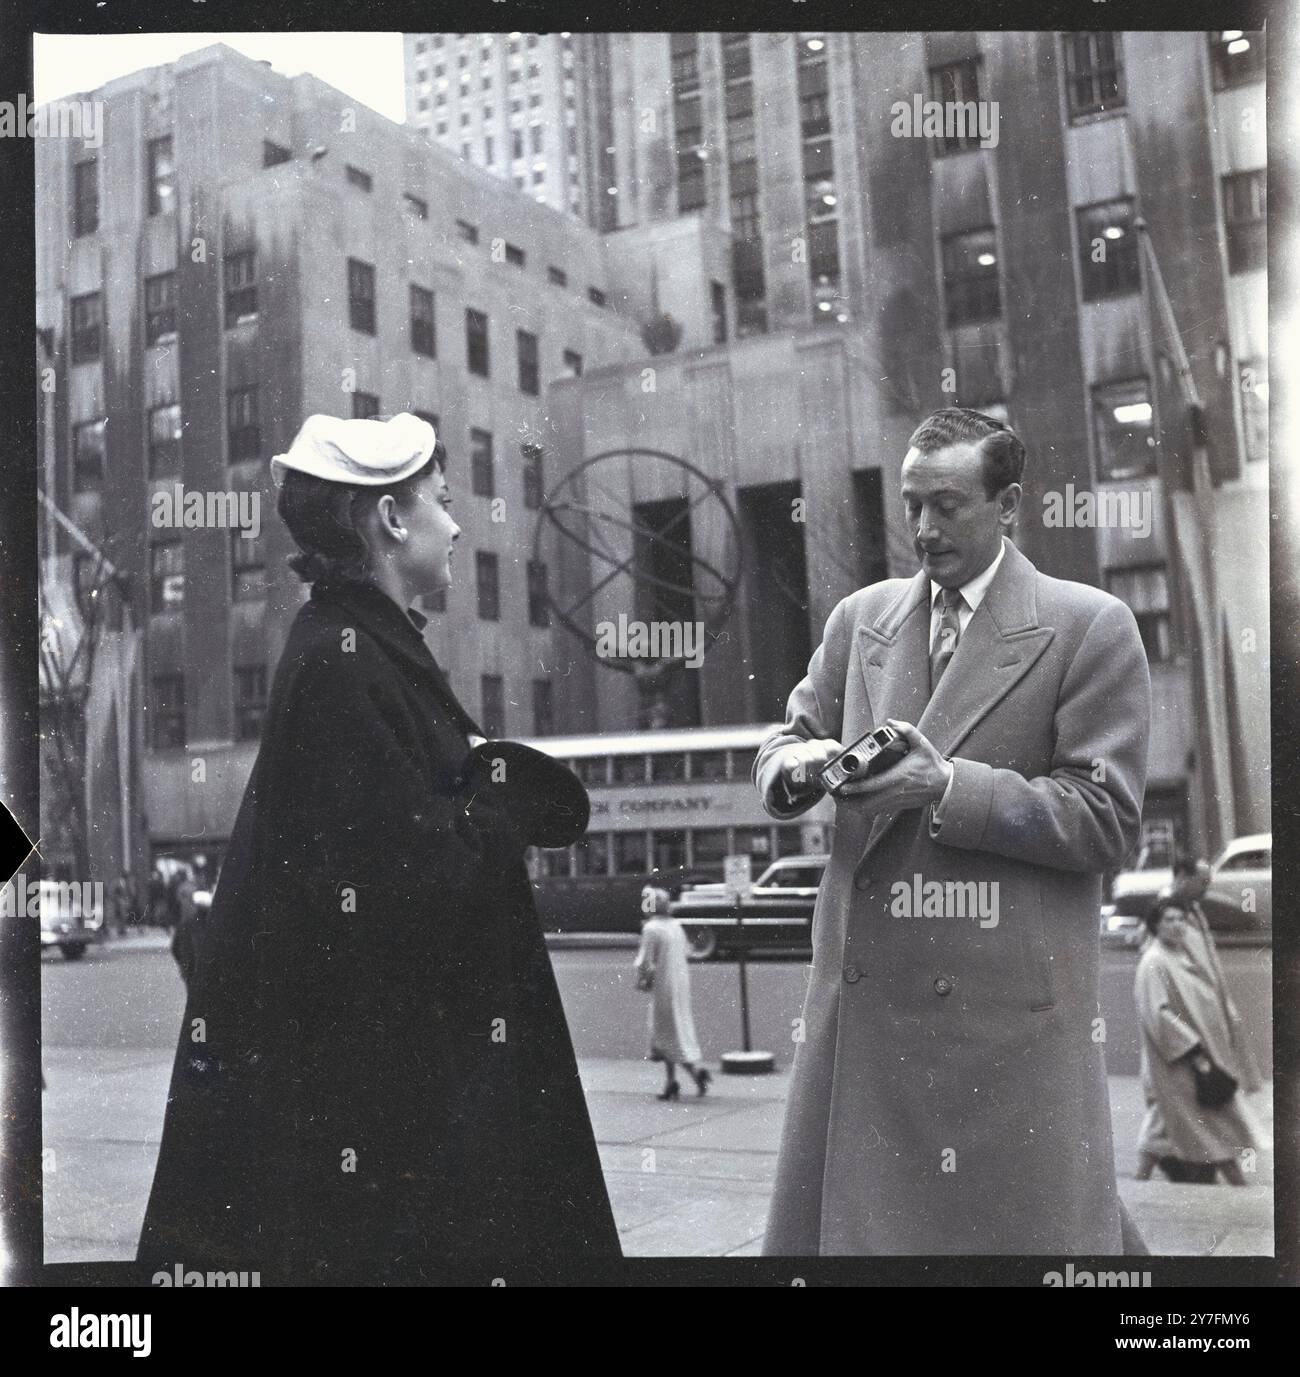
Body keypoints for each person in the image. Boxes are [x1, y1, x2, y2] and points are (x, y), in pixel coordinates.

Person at [136, 412, 621, 1281]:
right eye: (442, 498)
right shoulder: (346, 662)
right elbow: (411, 886)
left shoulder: (351, 649)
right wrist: (502, 797)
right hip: (398, 1121)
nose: (459, 521)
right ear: (391, 520)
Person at [754, 407, 1152, 1255]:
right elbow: (784, 740)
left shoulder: (1090, 625)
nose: (923, 530)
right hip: (864, 1018)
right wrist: (798, 765)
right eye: (909, 505)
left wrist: (950, 786)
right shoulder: (859, 619)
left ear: (1009, 506)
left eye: (947, 505)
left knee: (1014, 1238)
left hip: (1001, 1033)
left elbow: (1108, 820)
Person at [1134, 896, 1260, 1185]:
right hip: (1182, 1060)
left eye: (1181, 920)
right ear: (1156, 925)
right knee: (1208, 1121)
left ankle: (1140, 1180)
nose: (1178, 926)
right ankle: (1239, 1183)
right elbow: (1159, 1014)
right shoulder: (1154, 962)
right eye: (1170, 920)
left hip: (1191, 1057)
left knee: (1171, 1123)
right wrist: (1193, 1047)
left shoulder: (1179, 955)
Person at [633, 886, 711, 1099]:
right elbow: (687, 951)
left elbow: (645, 962)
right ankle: (673, 1081)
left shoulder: (651, 928)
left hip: (662, 986)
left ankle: (690, 1076)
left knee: (666, 1032)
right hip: (679, 984)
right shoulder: (676, 926)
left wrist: (642, 980)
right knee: (675, 1029)